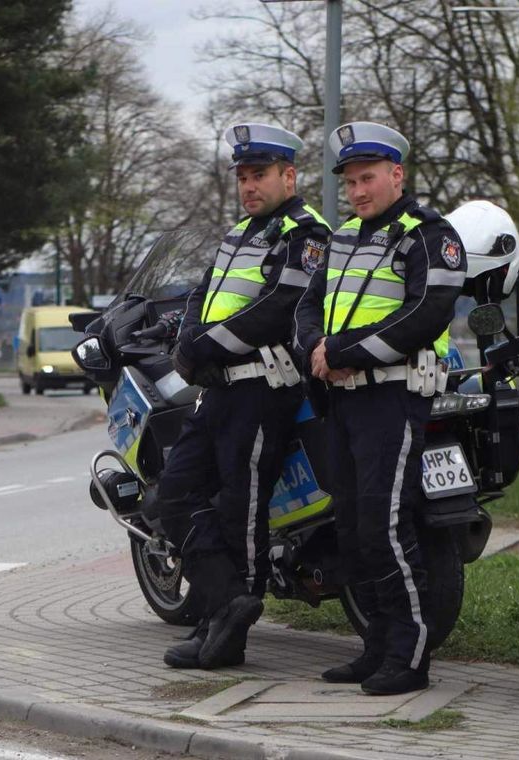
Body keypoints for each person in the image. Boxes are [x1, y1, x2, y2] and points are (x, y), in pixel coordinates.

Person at [293, 121, 467, 695]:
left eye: (368, 178)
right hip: (341, 400)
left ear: (397, 175)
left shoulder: (429, 235)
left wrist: (342, 351)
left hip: (392, 400)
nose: (358, 191)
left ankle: (410, 658)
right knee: (353, 532)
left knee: (387, 527)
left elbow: (426, 313)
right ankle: (376, 648)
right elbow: (308, 305)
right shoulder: (342, 236)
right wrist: (317, 348)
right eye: (350, 182)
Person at [159, 123, 332, 669]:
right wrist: (187, 344)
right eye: (243, 177)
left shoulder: (305, 233)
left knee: (242, 512)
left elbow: (280, 306)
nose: (249, 186)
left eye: (260, 175)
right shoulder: (240, 233)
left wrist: (205, 345)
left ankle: (225, 635)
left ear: (289, 175)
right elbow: (200, 293)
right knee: (175, 497)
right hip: (217, 392)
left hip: (264, 390)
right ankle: (225, 603)